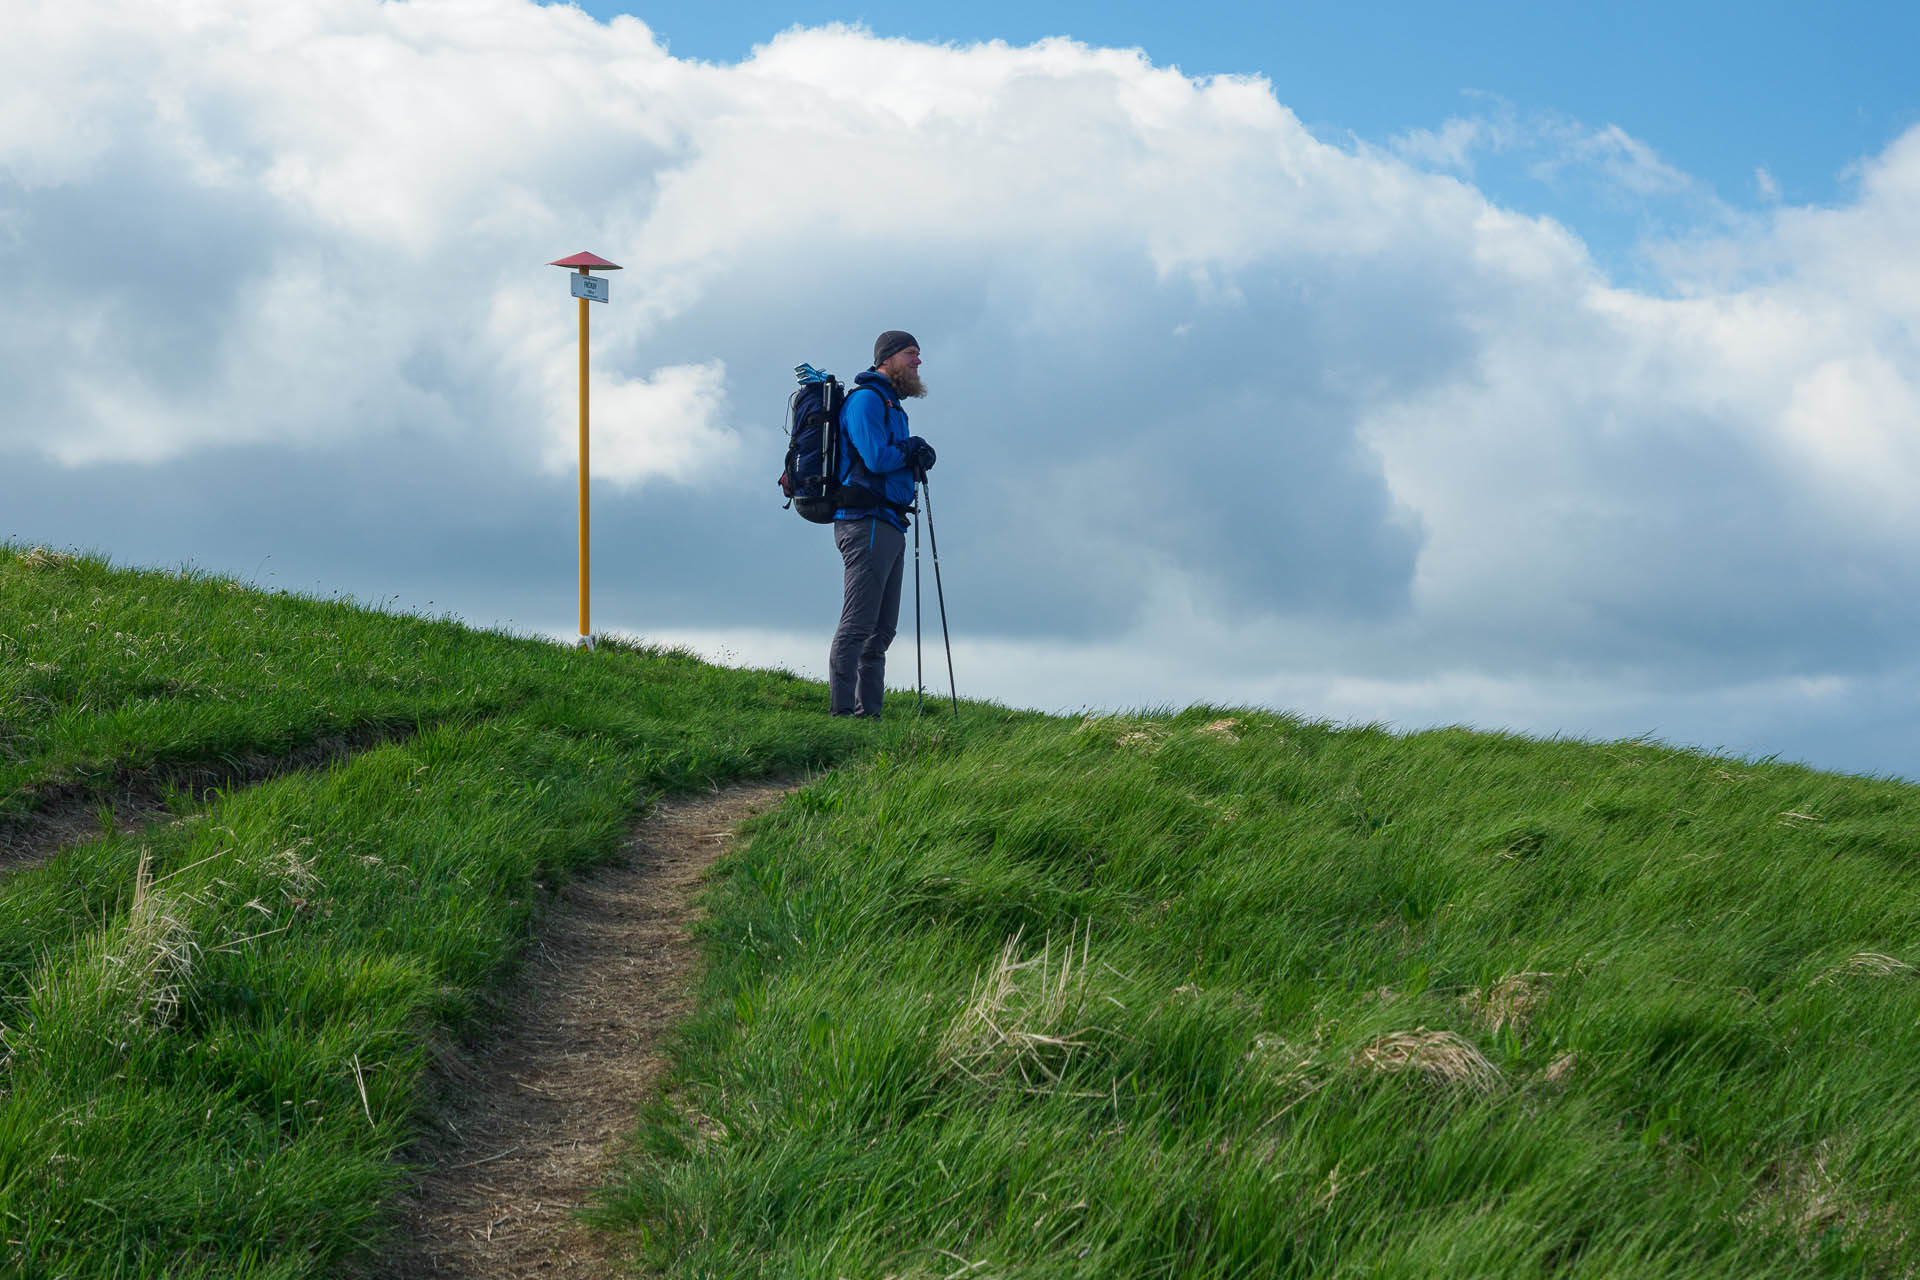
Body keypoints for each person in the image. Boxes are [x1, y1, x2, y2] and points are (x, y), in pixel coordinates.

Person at [828, 330, 936, 718]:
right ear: (886, 359)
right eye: (911, 353)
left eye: (918, 355)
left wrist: (912, 454)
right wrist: (910, 450)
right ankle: (841, 715)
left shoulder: (892, 406)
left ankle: (868, 716)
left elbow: (887, 457)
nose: (918, 361)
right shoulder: (866, 401)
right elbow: (875, 458)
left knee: (882, 630)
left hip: (889, 522)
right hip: (866, 522)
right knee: (859, 624)